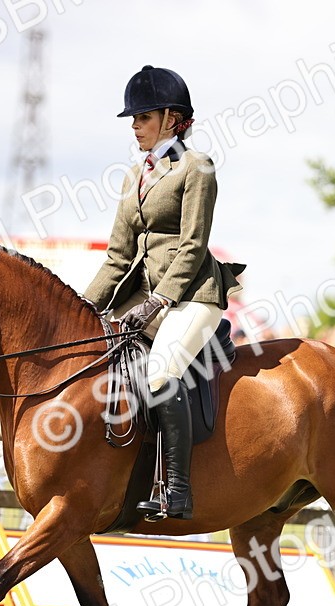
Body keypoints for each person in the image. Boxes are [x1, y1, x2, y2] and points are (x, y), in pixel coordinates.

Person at [83, 66, 243, 521]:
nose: (134, 125)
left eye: (143, 117)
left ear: (172, 118)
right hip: (144, 299)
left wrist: (162, 299)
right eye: (132, 119)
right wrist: (79, 307)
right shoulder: (135, 175)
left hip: (193, 296)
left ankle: (177, 487)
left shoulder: (198, 168)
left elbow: (193, 245)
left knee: (158, 373)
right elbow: (118, 256)